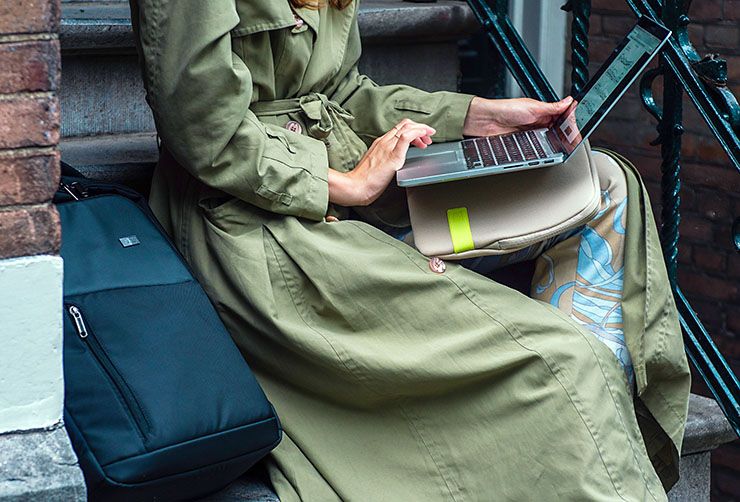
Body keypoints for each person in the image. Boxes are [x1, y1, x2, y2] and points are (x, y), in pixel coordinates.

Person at [128, 0, 691, 499]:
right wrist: (340, 184)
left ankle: (592, 431)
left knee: (603, 185)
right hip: (254, 220)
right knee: (567, 360)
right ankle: (568, 413)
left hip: (351, 178)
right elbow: (204, 129)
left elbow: (342, 93)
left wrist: (476, 116)